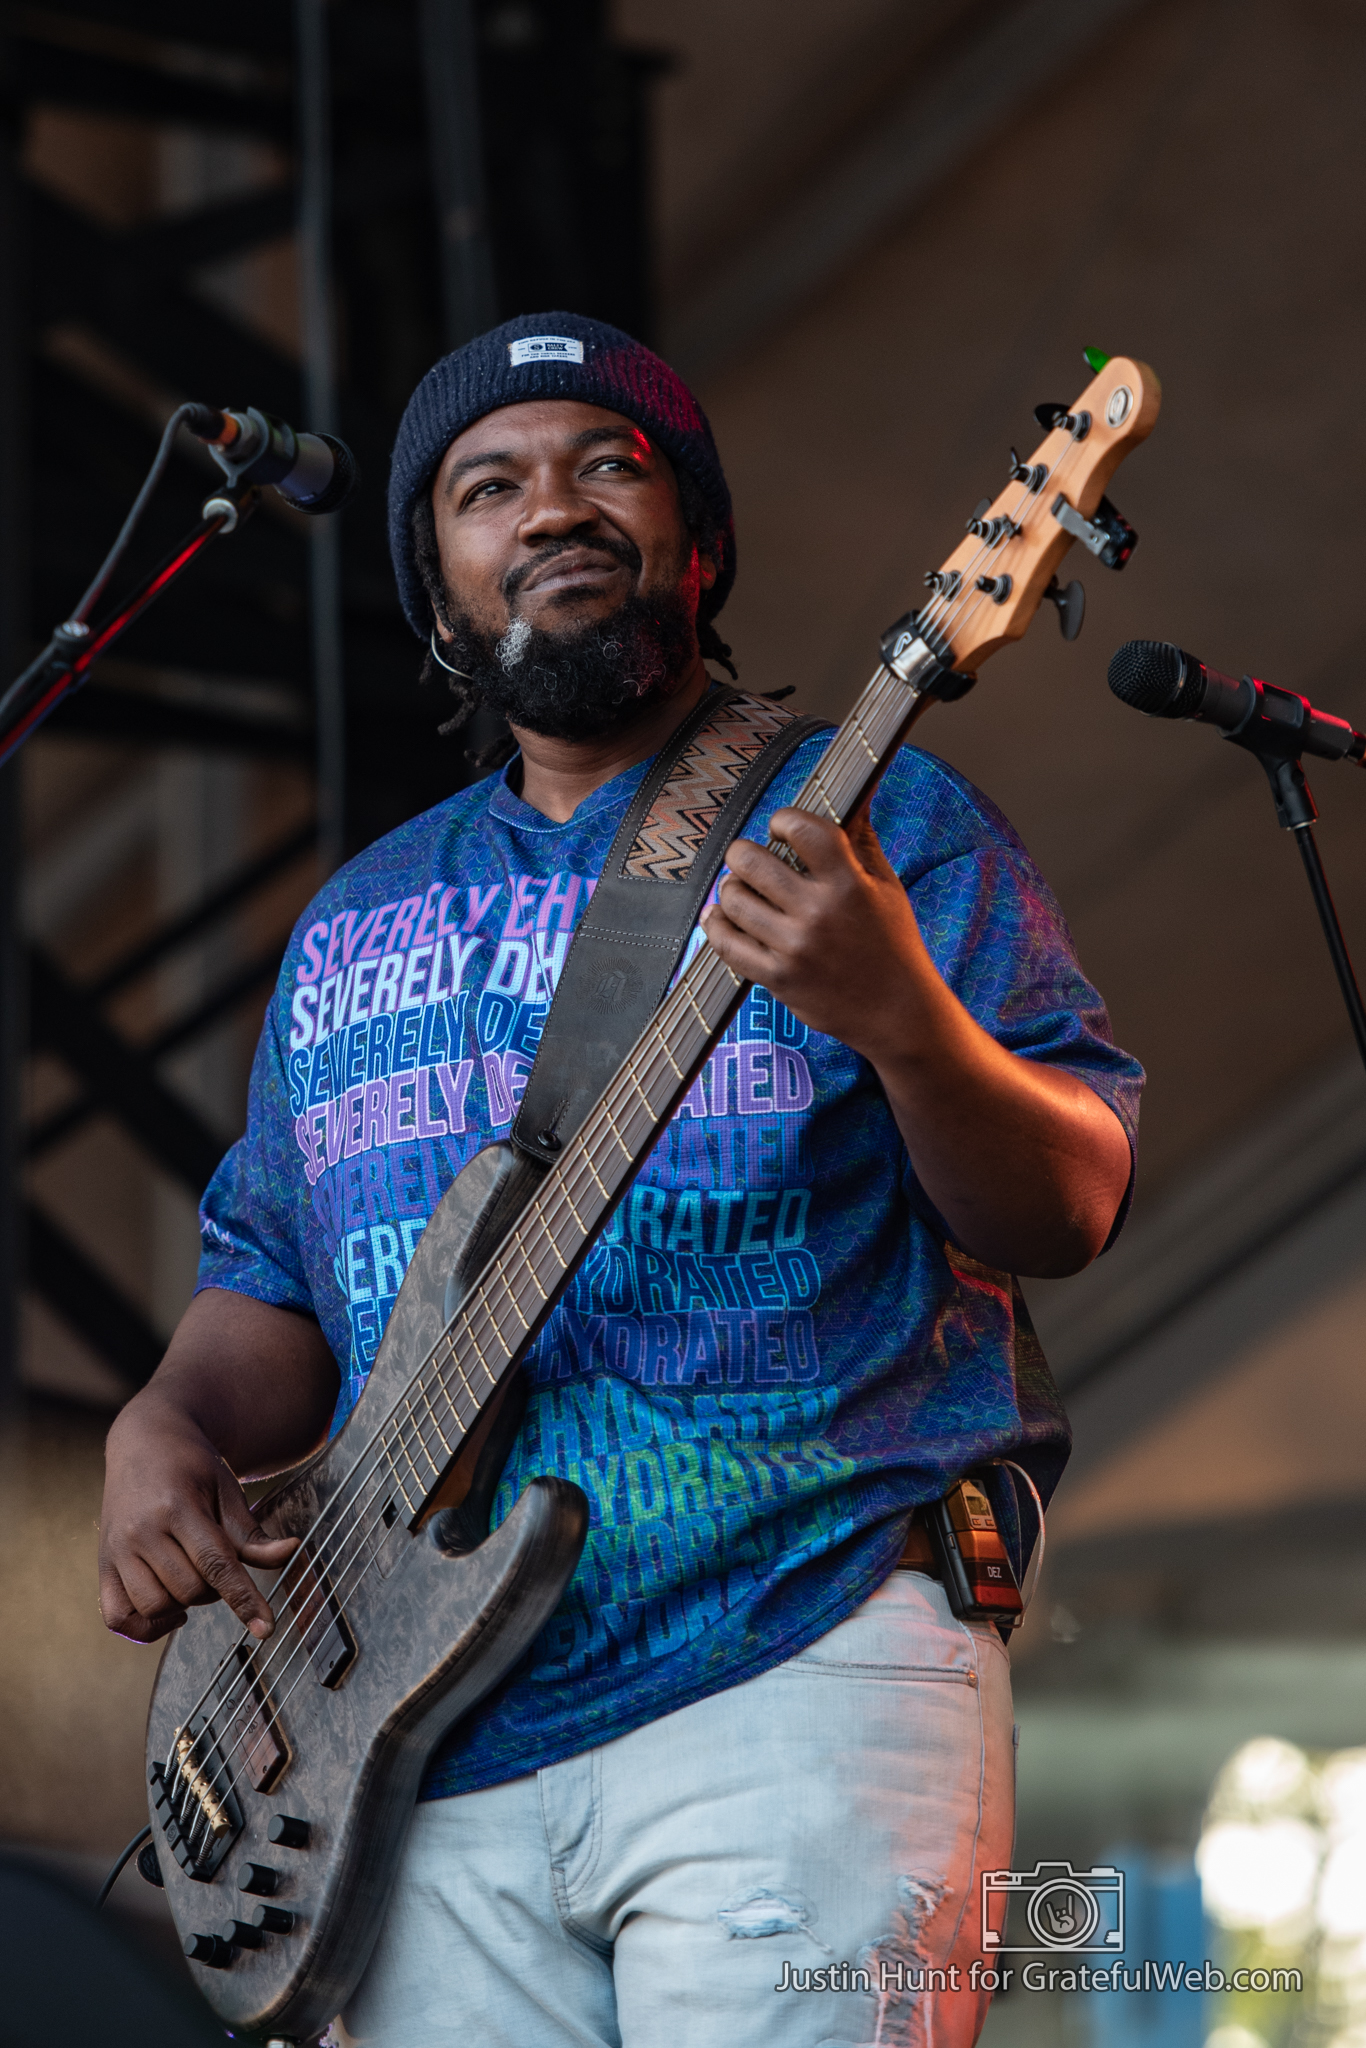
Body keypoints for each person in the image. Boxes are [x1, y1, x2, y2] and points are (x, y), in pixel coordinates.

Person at [98, 311, 1140, 2048]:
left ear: (698, 538)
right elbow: (273, 1280)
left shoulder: (881, 822)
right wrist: (168, 1430)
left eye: (609, 465)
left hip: (791, 1661)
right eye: (488, 487)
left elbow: (1071, 1201)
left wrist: (905, 1025)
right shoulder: (353, 918)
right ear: (440, 590)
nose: (553, 507)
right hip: (411, 1745)